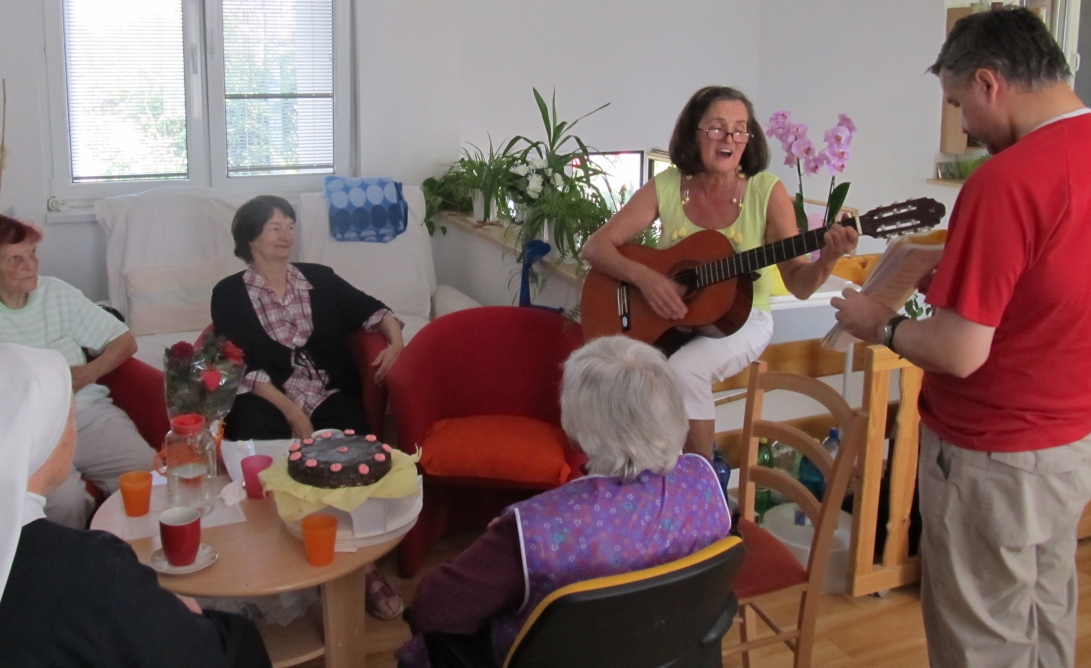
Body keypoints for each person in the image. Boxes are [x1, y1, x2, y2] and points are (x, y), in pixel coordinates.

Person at [832, 6, 1091, 668]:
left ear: (988, 82)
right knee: (1046, 618)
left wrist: (879, 323)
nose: (965, 126)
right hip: (1070, 443)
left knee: (983, 642)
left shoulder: (1006, 181)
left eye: (957, 104)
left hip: (993, 453)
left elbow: (958, 352)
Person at [0, 343, 272, 668]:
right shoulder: (90, 570)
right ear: (43, 436)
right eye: (69, 417)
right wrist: (194, 617)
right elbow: (200, 656)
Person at [395, 335, 732, 668]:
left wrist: (501, 544)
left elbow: (431, 609)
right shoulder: (704, 484)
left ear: (577, 426)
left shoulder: (535, 529)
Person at [582, 86, 856, 458]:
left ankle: (703, 480)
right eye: (717, 128)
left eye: (740, 130)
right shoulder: (668, 185)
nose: (729, 138)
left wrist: (827, 259)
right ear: (693, 132)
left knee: (683, 371)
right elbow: (595, 246)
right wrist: (647, 279)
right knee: (612, 374)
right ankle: (637, 475)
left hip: (744, 318)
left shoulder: (766, 191)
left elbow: (799, 284)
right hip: (673, 321)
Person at [210, 194, 406, 619]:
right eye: (275, 228)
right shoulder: (228, 293)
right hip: (267, 396)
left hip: (327, 390)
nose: (286, 235)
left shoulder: (319, 278)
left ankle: (362, 566)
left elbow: (375, 310)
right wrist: (292, 411)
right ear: (251, 238)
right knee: (263, 453)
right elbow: (238, 363)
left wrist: (396, 343)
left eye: (290, 226)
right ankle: (278, 555)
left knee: (349, 455)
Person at [0, 214, 154, 529]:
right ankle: (74, 559)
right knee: (65, 502)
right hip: (19, 429)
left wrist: (88, 373)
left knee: (145, 472)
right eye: (15, 258)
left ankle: (137, 551)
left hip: (86, 414)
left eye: (32, 253)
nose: (31, 265)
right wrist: (2, 395)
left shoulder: (55, 292)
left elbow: (124, 341)